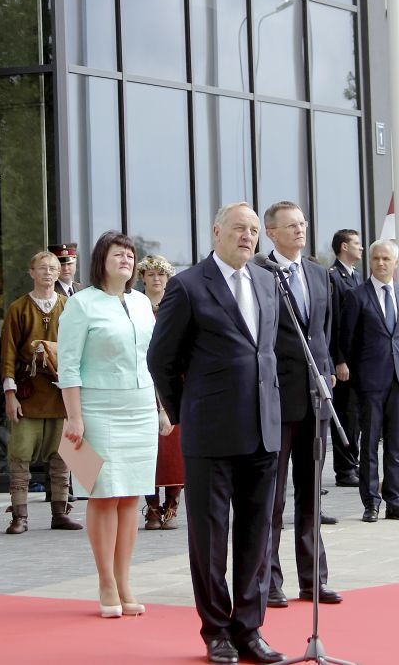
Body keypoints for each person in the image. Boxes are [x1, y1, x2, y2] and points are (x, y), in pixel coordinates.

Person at [147, 202, 284, 665]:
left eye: (253, 230)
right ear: (216, 231)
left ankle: (250, 629)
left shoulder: (267, 281)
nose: (248, 236)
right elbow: (161, 359)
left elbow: (269, 352)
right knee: (209, 540)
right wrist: (187, 411)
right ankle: (216, 631)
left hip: (263, 430)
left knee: (257, 536)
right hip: (210, 434)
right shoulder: (187, 286)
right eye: (239, 228)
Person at [58, 230, 162, 618]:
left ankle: (124, 581)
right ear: (101, 260)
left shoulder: (140, 302)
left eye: (130, 255)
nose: (126, 260)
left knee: (131, 494)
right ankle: (105, 581)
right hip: (97, 408)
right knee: (104, 493)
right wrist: (75, 416)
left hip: (140, 406)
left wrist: (161, 408)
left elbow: (152, 359)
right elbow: (68, 365)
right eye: (118, 254)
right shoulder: (81, 304)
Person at [262, 201, 342, 610]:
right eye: (291, 225)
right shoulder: (260, 274)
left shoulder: (318, 273)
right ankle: (269, 581)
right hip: (277, 399)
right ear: (271, 233)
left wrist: (327, 370)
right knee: (272, 498)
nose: (300, 230)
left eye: (302, 223)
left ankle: (313, 580)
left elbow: (323, 332)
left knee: (311, 495)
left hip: (316, 397)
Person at [0, 250, 83, 534]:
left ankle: (60, 512)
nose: (48, 272)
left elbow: (80, 349)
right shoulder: (18, 308)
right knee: (20, 455)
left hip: (61, 393)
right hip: (28, 393)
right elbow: (8, 354)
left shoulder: (70, 306)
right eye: (42, 268)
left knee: (63, 457)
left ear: (59, 273)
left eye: (53, 268)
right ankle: (19, 516)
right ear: (31, 272)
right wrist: (10, 394)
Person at [340, 239, 399, 524]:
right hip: (370, 382)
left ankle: (394, 501)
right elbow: (347, 339)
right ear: (370, 262)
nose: (381, 263)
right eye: (376, 258)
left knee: (395, 446)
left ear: (395, 263)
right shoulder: (357, 296)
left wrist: (396, 361)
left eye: (386, 259)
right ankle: (371, 502)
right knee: (370, 444)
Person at [136, 254, 184, 530]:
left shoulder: (175, 304)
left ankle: (172, 505)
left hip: (172, 381)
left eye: (161, 274)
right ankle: (152, 508)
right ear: (143, 277)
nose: (156, 279)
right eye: (151, 274)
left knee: (173, 450)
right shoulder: (135, 305)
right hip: (142, 379)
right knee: (148, 451)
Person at [328, 229, 363, 488]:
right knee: (345, 413)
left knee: (355, 416)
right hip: (344, 362)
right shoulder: (332, 277)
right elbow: (334, 323)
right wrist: (339, 360)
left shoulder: (356, 277)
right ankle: (345, 469)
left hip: (358, 360)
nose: (361, 248)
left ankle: (354, 462)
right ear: (343, 246)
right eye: (356, 243)